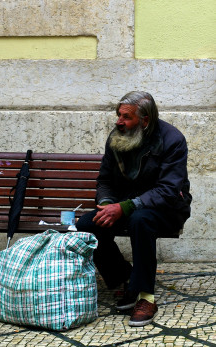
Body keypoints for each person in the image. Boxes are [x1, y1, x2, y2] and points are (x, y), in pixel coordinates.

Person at [76, 91, 192, 327]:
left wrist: (125, 207)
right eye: (118, 114)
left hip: (167, 208)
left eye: (126, 117)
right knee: (87, 225)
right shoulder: (118, 136)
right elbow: (105, 180)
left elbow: (168, 190)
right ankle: (126, 278)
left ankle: (145, 297)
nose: (119, 121)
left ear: (145, 119)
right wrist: (108, 205)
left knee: (140, 219)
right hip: (126, 204)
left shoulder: (172, 139)